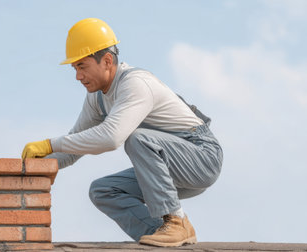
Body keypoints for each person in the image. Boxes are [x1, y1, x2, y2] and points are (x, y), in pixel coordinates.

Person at [21, 18, 223, 247]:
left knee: (137, 139)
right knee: (103, 190)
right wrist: (40, 166)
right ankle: (162, 233)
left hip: (202, 156)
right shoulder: (97, 98)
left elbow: (111, 137)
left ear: (107, 60)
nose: (78, 76)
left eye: (82, 66)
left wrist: (49, 144)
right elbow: (73, 147)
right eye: (75, 68)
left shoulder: (135, 84)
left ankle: (177, 222)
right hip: (167, 168)